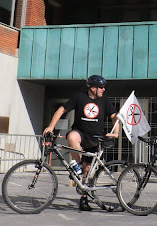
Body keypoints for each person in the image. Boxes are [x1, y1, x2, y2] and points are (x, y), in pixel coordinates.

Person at [43, 74, 119, 211]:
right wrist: (50, 126)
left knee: (88, 172)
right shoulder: (79, 97)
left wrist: (116, 133)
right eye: (101, 87)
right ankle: (77, 165)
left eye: (104, 87)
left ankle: (84, 199)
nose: (103, 90)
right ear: (93, 88)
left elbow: (115, 117)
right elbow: (62, 109)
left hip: (95, 139)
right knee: (72, 136)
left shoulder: (104, 101)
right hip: (80, 134)